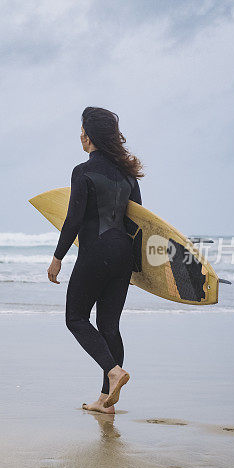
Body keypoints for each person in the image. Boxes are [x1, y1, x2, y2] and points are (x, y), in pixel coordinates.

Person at [47, 107, 144, 414]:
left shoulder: (82, 172)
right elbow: (137, 222)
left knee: (75, 318)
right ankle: (106, 400)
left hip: (96, 251)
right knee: (109, 325)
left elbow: (73, 220)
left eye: (82, 130)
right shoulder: (128, 176)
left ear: (88, 136)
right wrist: (137, 267)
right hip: (123, 254)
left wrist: (57, 257)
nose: (80, 135)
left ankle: (113, 372)